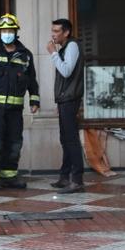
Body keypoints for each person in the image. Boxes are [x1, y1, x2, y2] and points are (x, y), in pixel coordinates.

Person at [0, 13, 39, 192]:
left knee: (14, 143)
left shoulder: (25, 55)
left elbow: (32, 79)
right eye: (4, 30)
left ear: (16, 32)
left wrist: (34, 99)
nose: (7, 33)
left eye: (10, 30)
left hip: (15, 110)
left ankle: (9, 176)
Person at [46, 18, 84, 192]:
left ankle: (76, 180)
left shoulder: (72, 46)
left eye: (56, 31)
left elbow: (66, 71)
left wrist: (53, 53)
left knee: (71, 139)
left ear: (66, 32)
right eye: (52, 31)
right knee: (65, 139)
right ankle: (64, 176)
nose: (53, 34)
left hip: (70, 99)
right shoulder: (65, 48)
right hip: (65, 100)